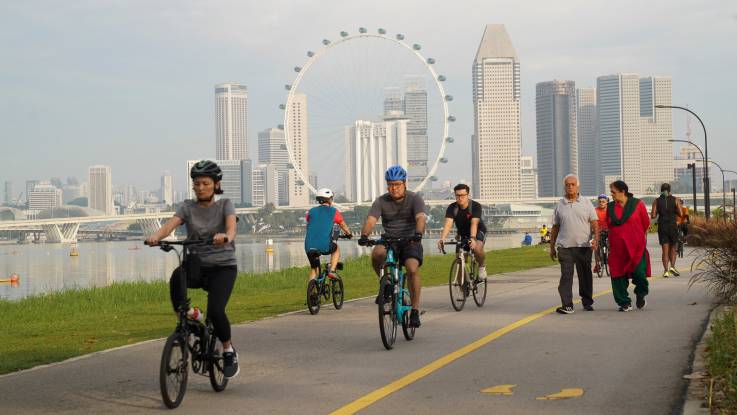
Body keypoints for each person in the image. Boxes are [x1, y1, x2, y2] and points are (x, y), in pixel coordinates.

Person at [145, 160, 240, 378]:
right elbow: (170, 225)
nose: (200, 188)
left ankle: (228, 349)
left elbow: (231, 228)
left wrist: (225, 237)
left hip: (223, 267)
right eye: (196, 183)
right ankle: (191, 314)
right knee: (178, 276)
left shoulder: (225, 205)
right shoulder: (187, 207)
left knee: (216, 312)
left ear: (216, 185)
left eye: (205, 183)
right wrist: (156, 237)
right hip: (197, 263)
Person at [358, 165, 426, 328]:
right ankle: (385, 284)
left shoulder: (415, 199)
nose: (393, 188)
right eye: (390, 184)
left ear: (404, 184)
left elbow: (420, 218)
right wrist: (364, 235)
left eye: (397, 184)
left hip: (411, 240)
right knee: (377, 254)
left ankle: (415, 310)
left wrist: (418, 233)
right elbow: (370, 221)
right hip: (390, 240)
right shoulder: (381, 201)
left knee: (411, 268)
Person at [549, 174, 599, 314]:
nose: (570, 187)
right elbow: (555, 227)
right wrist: (552, 247)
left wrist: (596, 239)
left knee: (585, 275)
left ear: (577, 186)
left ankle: (587, 301)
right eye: (567, 185)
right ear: (564, 187)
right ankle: (567, 305)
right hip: (565, 247)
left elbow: (594, 222)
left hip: (583, 246)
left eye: (572, 184)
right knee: (566, 275)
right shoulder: (560, 205)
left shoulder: (586, 202)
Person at [607, 180, 651, 311]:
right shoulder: (610, 208)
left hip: (636, 247)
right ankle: (624, 302)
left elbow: (645, 223)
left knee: (639, 274)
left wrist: (637, 238)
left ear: (623, 192)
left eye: (613, 192)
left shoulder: (637, 205)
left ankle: (640, 294)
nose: (612, 195)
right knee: (617, 275)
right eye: (611, 192)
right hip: (617, 250)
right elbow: (608, 225)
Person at [437, 183, 488, 280]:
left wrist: (473, 238)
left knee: (477, 249)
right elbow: (448, 223)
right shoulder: (452, 208)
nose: (460, 198)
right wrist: (442, 239)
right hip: (463, 234)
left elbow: (474, 223)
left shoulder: (475, 206)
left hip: (478, 231)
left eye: (462, 195)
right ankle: (464, 285)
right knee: (460, 259)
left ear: (467, 195)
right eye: (457, 196)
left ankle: (481, 266)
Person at [304, 188, 352, 280]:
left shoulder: (311, 211)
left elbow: (310, 223)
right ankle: (332, 271)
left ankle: (311, 291)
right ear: (330, 199)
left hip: (308, 245)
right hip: (324, 245)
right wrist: (348, 234)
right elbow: (342, 224)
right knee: (336, 248)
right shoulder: (333, 211)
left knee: (314, 269)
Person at [651, 183, 682, 277]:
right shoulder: (675, 199)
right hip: (672, 226)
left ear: (661, 190)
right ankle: (672, 266)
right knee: (673, 248)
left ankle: (666, 271)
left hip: (662, 226)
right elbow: (681, 213)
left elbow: (653, 216)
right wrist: (674, 210)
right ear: (669, 190)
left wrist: (659, 212)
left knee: (665, 250)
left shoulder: (656, 201)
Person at [593, 194, 610, 274]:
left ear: (607, 202)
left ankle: (611, 260)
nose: (601, 203)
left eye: (603, 201)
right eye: (600, 202)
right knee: (596, 247)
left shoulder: (610, 210)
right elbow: (591, 222)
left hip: (608, 231)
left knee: (611, 245)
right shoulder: (595, 210)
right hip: (598, 231)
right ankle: (597, 264)